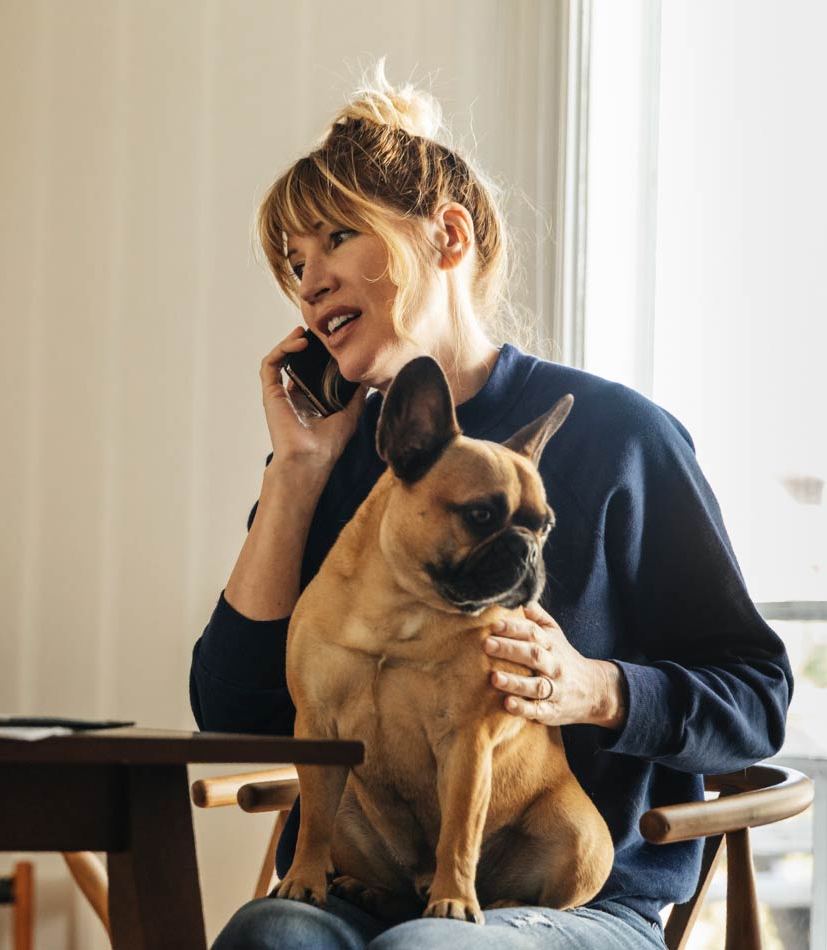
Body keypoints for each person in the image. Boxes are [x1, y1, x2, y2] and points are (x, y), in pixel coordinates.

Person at [193, 63, 793, 950]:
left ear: (447, 235)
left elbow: (757, 695)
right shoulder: (338, 457)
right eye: (295, 261)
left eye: (337, 239)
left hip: (579, 902)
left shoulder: (622, 437)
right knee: (269, 938)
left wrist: (596, 689)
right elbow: (237, 714)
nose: (309, 280)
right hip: (360, 888)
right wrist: (293, 472)